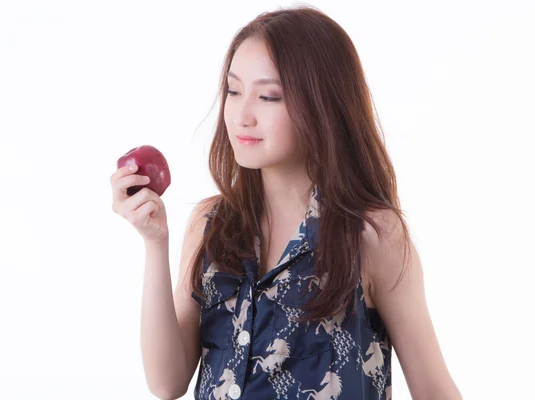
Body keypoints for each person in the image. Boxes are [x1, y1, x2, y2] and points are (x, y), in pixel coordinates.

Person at [110, 5, 463, 400]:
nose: (242, 115)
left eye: (269, 96)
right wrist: (155, 243)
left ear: (322, 104)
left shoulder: (370, 234)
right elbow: (166, 382)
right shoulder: (210, 224)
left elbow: (434, 390)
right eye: (233, 90)